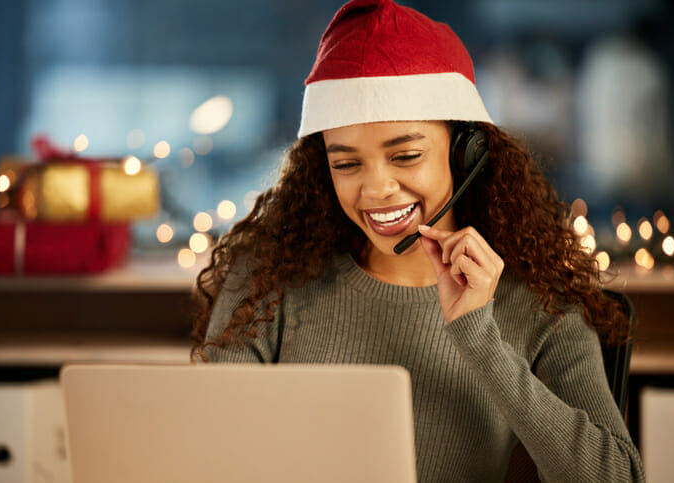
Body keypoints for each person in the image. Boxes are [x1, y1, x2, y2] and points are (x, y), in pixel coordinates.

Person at [190, 0, 646, 481]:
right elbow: (207, 453)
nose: (375, 190)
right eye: (346, 164)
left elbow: (616, 476)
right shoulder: (266, 280)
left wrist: (480, 337)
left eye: (405, 156)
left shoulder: (541, 302)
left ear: (465, 153)